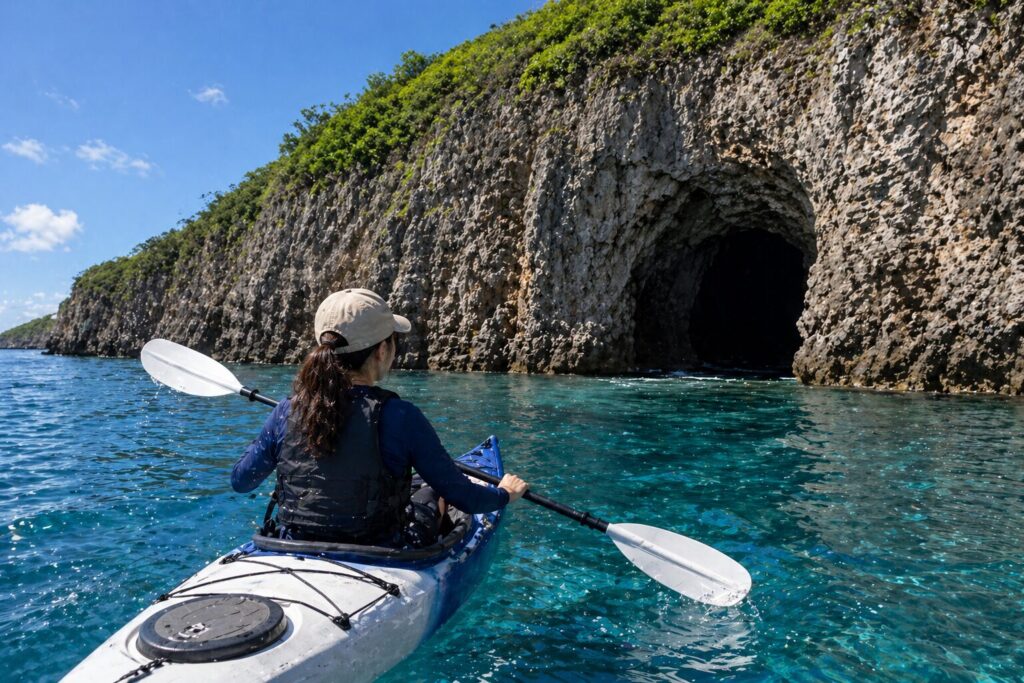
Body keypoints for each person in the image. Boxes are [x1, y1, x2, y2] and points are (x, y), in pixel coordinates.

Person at [231, 288, 528, 548]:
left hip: (294, 542)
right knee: (431, 490)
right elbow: (465, 498)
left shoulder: (287, 411)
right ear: (382, 350)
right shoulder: (401, 416)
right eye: (394, 341)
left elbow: (241, 481)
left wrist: (275, 433)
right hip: (381, 548)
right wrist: (504, 494)